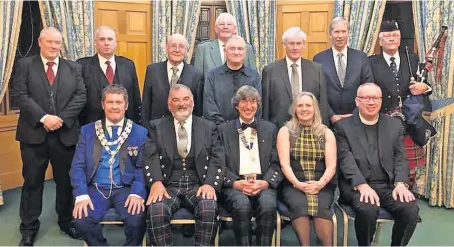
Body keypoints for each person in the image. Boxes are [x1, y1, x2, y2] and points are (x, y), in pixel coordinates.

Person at [12, 27, 86, 246]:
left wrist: (60, 119)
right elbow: (19, 94)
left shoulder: (74, 68)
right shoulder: (25, 65)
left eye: (57, 43)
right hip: (33, 135)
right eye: (50, 42)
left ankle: (66, 221)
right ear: (40, 42)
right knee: (32, 182)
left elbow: (81, 96)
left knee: (66, 182)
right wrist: (44, 118)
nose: (54, 46)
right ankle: (28, 228)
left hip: (65, 135)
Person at [334, 83, 419, 246]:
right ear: (357, 101)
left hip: (388, 185)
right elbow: (345, 160)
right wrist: (361, 185)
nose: (371, 102)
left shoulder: (394, 125)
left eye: (375, 98)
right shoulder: (342, 127)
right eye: (366, 98)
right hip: (357, 186)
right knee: (367, 209)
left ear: (381, 101)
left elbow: (400, 157)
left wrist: (401, 183)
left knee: (410, 210)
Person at [143, 84, 224, 246]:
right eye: (176, 100)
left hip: (198, 185)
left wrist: (210, 184)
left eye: (186, 99)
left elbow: (218, 157)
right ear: (169, 105)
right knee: (156, 210)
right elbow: (149, 156)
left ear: (193, 103)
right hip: (168, 186)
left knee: (209, 208)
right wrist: (156, 182)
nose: (182, 104)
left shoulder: (208, 127)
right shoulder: (157, 126)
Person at [70, 85, 147, 246]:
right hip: (96, 189)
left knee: (137, 218)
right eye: (110, 102)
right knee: (81, 219)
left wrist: (137, 193)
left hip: (126, 189)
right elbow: (77, 167)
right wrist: (81, 194)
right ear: (102, 104)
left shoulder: (139, 132)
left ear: (126, 105)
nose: (114, 106)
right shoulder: (88, 131)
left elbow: (142, 168)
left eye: (118, 102)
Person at [369, 20, 433, 185]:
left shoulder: (411, 59)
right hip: (382, 122)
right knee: (384, 162)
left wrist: (424, 86)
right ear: (380, 40)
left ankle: (407, 192)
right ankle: (388, 193)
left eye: (395, 35)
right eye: (388, 36)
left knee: (410, 166)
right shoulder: (370, 62)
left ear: (399, 39)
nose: (392, 39)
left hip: (410, 122)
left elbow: (427, 86)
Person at [218, 86, 282, 246]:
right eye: (244, 102)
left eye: (252, 101)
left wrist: (266, 182)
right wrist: (235, 183)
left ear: (258, 105)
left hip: (263, 183)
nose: (248, 106)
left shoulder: (270, 129)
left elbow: (277, 163)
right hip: (235, 184)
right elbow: (217, 164)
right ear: (236, 105)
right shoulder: (223, 130)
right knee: (241, 205)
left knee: (268, 205)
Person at [276, 92, 337, 246]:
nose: (304, 109)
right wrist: (298, 184)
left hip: (321, 184)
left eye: (308, 105)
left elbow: (332, 166)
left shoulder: (327, 133)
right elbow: (284, 164)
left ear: (315, 109)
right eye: (300, 105)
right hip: (293, 184)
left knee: (321, 208)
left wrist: (320, 184)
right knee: (301, 207)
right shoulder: (285, 131)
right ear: (294, 109)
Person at [262, 27, 329, 128]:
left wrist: (323, 128)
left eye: (298, 43)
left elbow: (322, 103)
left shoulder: (316, 69)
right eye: (291, 43)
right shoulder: (270, 71)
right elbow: (266, 105)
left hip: (310, 129)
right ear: (284, 45)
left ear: (304, 45)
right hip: (279, 129)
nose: (295, 47)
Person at [313, 17, 374, 125]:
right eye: (336, 32)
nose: (340, 36)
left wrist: (356, 113)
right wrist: (331, 115)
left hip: (357, 119)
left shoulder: (361, 57)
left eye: (343, 31)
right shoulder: (318, 59)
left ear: (348, 33)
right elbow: (317, 91)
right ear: (330, 34)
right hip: (328, 121)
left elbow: (368, 88)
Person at [77, 26, 141, 125]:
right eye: (102, 39)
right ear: (95, 43)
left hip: (124, 127)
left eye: (110, 39)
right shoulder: (82, 65)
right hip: (91, 127)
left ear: (115, 43)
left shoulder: (128, 65)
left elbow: (135, 98)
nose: (106, 43)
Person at [141, 34, 204, 125]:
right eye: (173, 46)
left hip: (184, 127)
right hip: (157, 129)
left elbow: (198, 109)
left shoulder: (196, 75)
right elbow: (146, 105)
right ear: (166, 48)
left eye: (181, 47)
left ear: (186, 51)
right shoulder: (152, 71)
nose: (177, 50)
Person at [203, 35, 261, 125]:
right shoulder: (212, 76)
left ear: (245, 52)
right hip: (218, 132)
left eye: (240, 49)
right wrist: (225, 129)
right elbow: (209, 107)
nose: (236, 52)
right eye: (232, 49)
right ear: (225, 51)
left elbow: (257, 106)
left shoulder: (254, 76)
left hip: (248, 130)